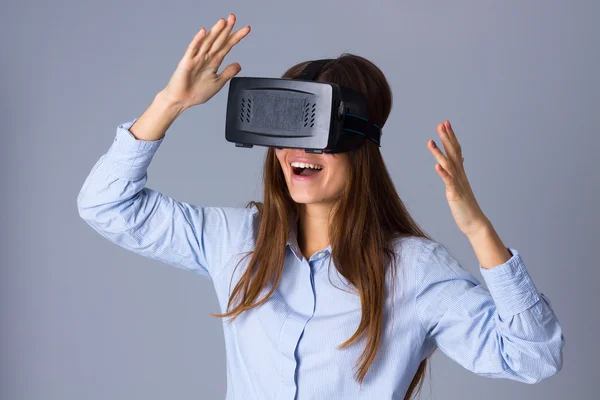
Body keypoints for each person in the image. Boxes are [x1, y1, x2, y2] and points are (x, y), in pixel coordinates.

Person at [77, 13, 564, 400]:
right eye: (283, 135)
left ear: (359, 144)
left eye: (314, 133)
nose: (296, 153)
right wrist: (170, 103)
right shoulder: (234, 240)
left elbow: (532, 358)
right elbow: (106, 205)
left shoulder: (415, 270)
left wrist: (478, 229)